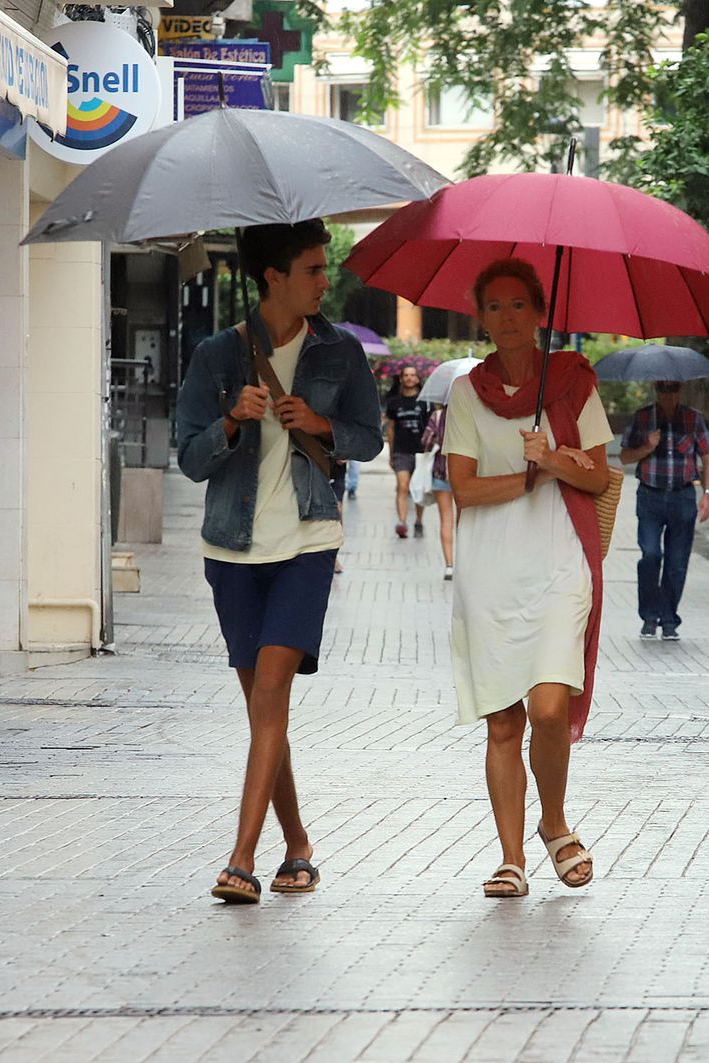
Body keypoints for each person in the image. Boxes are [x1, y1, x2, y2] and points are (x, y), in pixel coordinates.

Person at [174, 219, 383, 904]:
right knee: (266, 709)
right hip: (231, 548)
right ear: (274, 276)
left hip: (306, 543)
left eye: (326, 269)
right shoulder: (217, 355)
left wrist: (322, 426)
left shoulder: (341, 354)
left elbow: (368, 440)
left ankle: (241, 859)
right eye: (315, 270)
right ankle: (298, 843)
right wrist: (232, 419)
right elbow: (190, 457)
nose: (327, 281)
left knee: (270, 693)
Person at [443, 258, 613, 899]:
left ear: (539, 312)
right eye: (494, 307)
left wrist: (557, 459)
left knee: (548, 707)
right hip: (489, 570)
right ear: (480, 317)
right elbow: (463, 487)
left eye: (519, 305)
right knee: (503, 723)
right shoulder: (467, 391)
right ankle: (512, 857)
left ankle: (554, 820)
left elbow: (598, 476)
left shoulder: (573, 383)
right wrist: (530, 475)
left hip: (559, 562)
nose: (507, 318)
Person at [619, 381, 709, 640]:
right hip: (650, 495)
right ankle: (649, 616)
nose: (668, 394)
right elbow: (624, 456)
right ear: (656, 390)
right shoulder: (642, 418)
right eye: (663, 389)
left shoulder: (694, 419)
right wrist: (647, 447)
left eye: (672, 389)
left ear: (679, 391)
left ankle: (669, 618)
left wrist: (707, 494)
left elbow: (708, 456)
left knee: (676, 562)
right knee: (650, 554)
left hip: (682, 496)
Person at [385, 365, 430, 538]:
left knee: (418, 488)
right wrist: (391, 454)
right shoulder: (394, 403)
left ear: (418, 379)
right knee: (402, 487)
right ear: (401, 379)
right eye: (406, 375)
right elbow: (390, 429)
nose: (410, 378)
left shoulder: (425, 402)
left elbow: (431, 427)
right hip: (401, 451)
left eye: (413, 375)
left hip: (421, 452)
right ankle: (402, 522)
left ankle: (418, 520)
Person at [421, 403, 456, 580]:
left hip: (441, 473)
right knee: (465, 521)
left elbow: (425, 442)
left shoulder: (438, 416)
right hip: (467, 475)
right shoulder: (474, 413)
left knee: (446, 519)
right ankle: (464, 562)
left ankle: (449, 565)